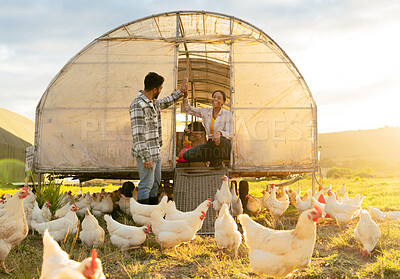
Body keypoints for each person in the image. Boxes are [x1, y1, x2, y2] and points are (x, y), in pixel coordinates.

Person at [130, 72, 188, 204]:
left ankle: (153, 216)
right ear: (155, 89)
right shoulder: (138, 105)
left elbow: (166, 101)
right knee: (146, 185)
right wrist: (146, 157)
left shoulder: (153, 102)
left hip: (155, 151)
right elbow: (138, 134)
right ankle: (143, 220)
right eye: (161, 88)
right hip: (146, 153)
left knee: (155, 184)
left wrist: (181, 92)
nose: (161, 91)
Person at [182, 90, 233, 168]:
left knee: (221, 141)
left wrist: (219, 133)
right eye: (214, 97)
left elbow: (230, 133)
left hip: (223, 145)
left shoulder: (227, 114)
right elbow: (188, 109)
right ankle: (213, 160)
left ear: (223, 102)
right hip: (211, 144)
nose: (215, 99)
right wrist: (185, 96)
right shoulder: (206, 111)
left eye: (219, 98)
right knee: (187, 155)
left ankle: (218, 161)